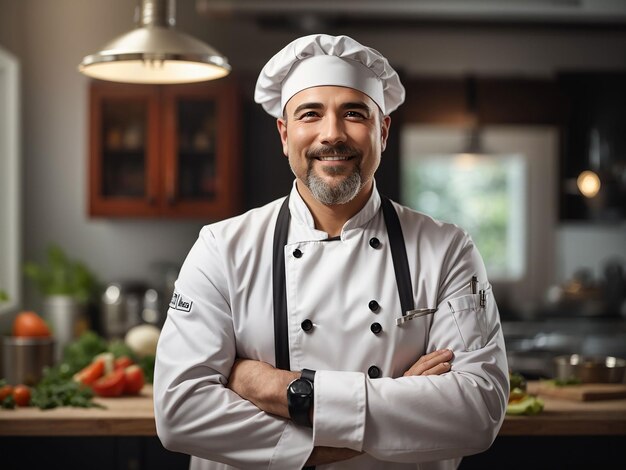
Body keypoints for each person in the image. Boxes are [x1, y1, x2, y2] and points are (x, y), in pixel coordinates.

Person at [153, 34, 509, 470]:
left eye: (354, 113)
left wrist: (279, 390)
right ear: (285, 134)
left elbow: (478, 411)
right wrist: (388, 416)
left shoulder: (447, 248)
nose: (332, 134)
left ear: (383, 130)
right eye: (310, 114)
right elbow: (180, 414)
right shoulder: (221, 248)